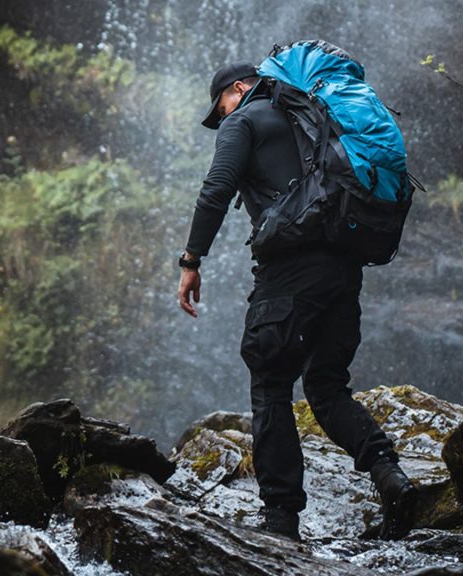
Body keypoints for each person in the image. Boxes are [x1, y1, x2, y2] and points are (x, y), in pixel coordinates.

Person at [176, 61, 418, 542]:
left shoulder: (243, 122)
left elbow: (217, 189)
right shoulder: (312, 120)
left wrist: (191, 259)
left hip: (289, 268)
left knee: (270, 381)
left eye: (220, 105)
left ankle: (280, 522)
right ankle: (390, 475)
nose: (221, 118)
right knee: (327, 386)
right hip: (343, 263)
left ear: (239, 89)